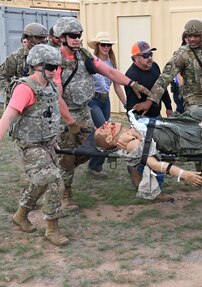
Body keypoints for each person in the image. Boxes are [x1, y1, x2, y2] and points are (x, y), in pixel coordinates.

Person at [133, 19, 202, 198]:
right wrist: (151, 101)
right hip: (195, 104)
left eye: (196, 36)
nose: (191, 39)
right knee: (200, 138)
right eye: (188, 35)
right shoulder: (182, 54)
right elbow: (165, 78)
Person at [52, 17, 149, 211]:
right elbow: (57, 96)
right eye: (73, 36)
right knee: (68, 156)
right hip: (65, 116)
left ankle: (62, 170)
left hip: (84, 111)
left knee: (97, 147)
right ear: (62, 38)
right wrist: (70, 123)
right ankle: (65, 194)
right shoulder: (55, 60)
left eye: (79, 35)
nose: (78, 39)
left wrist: (131, 83)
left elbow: (110, 72)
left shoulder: (84, 56)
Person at [0, 44, 69, 246]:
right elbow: (7, 117)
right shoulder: (25, 88)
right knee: (55, 180)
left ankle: (20, 215)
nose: (54, 71)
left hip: (47, 143)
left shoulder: (51, 86)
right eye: (50, 66)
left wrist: (54, 139)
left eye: (56, 67)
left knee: (40, 182)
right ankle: (52, 228)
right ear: (36, 65)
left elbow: (51, 115)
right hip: (30, 145)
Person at [94, 121, 202, 201]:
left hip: (169, 129)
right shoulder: (131, 144)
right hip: (174, 137)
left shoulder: (126, 136)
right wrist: (183, 174)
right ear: (109, 138)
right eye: (103, 128)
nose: (106, 123)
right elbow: (155, 164)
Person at [124, 41, 173, 194]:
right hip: (141, 120)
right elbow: (135, 107)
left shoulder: (155, 67)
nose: (149, 58)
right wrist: (138, 124)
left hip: (156, 115)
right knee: (153, 153)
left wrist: (169, 106)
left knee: (157, 151)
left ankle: (136, 169)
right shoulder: (131, 76)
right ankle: (156, 189)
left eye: (150, 54)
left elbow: (162, 88)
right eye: (145, 55)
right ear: (136, 58)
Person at [86, 32, 127, 177]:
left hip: (105, 100)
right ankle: (94, 165)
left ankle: (94, 165)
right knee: (106, 132)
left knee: (104, 133)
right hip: (93, 100)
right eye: (103, 44)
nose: (106, 47)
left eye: (109, 45)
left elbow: (117, 86)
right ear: (97, 46)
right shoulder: (90, 61)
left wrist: (126, 105)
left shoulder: (111, 63)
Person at [0, 23, 49, 107]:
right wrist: (11, 93)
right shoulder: (16, 57)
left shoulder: (50, 55)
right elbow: (2, 76)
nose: (43, 41)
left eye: (44, 38)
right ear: (28, 38)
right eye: (39, 38)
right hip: (23, 102)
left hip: (44, 102)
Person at [170, 32, 188, 114]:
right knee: (182, 112)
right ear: (185, 39)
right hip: (181, 90)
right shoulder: (180, 53)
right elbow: (178, 75)